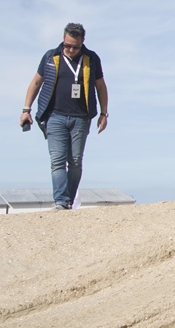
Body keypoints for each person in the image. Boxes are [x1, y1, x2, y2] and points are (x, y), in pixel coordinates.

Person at [20, 23, 109, 210]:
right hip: (55, 116)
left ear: (82, 42)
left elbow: (100, 86)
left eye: (75, 47)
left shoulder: (91, 59)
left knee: (75, 161)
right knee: (57, 160)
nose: (70, 50)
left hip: (81, 118)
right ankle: (60, 201)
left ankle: (68, 200)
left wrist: (103, 113)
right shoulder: (50, 57)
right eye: (67, 45)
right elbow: (36, 83)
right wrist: (26, 110)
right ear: (63, 39)